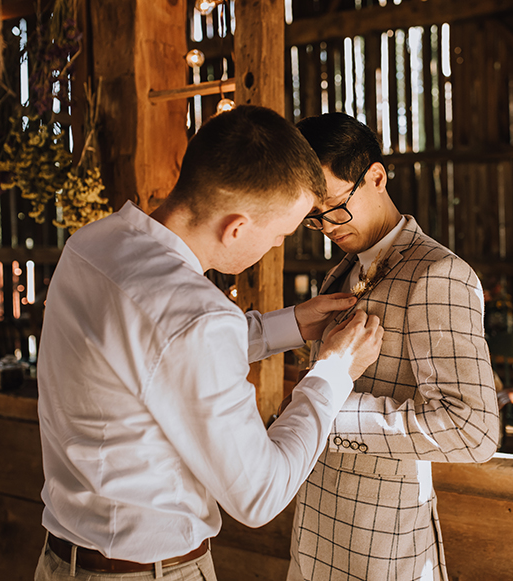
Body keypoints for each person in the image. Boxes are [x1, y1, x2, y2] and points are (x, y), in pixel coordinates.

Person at [34, 105, 384, 581]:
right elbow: (259, 494)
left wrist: (291, 324)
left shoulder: (93, 243)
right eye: (279, 234)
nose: (276, 246)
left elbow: (158, 356)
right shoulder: (196, 315)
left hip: (60, 561)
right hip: (148, 572)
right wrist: (333, 372)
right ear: (236, 227)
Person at [284, 112, 501, 581]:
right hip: (313, 531)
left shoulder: (439, 275)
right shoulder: (342, 270)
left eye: (335, 207)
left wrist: (329, 414)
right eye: (313, 218)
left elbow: (473, 429)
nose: (327, 226)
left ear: (376, 177)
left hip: (383, 543)